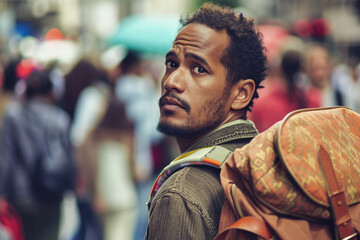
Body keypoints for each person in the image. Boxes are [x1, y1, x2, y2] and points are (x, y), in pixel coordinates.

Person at [146, 3, 267, 240]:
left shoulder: (180, 195)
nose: (172, 81)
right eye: (172, 64)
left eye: (199, 69)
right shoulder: (257, 158)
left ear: (241, 94)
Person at [0, 69, 75, 240]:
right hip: (52, 192)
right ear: (51, 92)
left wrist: (2, 193)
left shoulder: (13, 115)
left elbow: (5, 157)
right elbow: (67, 156)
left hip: (20, 193)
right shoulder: (60, 118)